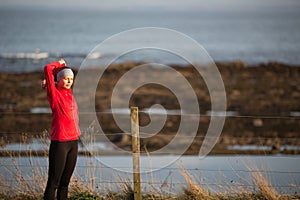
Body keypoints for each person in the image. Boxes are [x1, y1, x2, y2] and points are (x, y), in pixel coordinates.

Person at [42, 59, 81, 200]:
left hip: (73, 142)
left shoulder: (69, 93)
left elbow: (53, 77)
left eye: (71, 79)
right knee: (54, 182)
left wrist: (52, 79)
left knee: (65, 183)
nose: (69, 81)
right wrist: (60, 64)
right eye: (66, 78)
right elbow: (47, 68)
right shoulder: (55, 95)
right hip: (60, 143)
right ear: (59, 80)